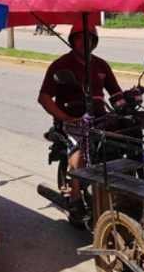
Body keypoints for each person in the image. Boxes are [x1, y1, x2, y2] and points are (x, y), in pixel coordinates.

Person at [38, 24, 123, 216]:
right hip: (73, 120)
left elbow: (116, 94)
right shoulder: (61, 65)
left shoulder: (101, 65)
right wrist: (66, 117)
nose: (85, 42)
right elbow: (44, 98)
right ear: (72, 40)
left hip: (100, 118)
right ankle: (76, 196)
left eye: (90, 38)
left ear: (95, 42)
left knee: (128, 136)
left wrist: (127, 103)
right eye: (80, 38)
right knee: (81, 148)